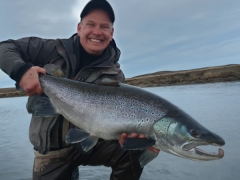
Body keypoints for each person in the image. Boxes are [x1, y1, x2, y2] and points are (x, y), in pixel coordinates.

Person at [0, 0, 159, 179]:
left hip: (90, 143)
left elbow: (110, 123)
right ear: (79, 27)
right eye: (91, 24)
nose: (97, 32)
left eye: (104, 27)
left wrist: (126, 139)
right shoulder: (50, 49)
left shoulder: (115, 75)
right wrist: (21, 71)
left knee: (134, 152)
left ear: (112, 32)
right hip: (51, 153)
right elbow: (4, 47)